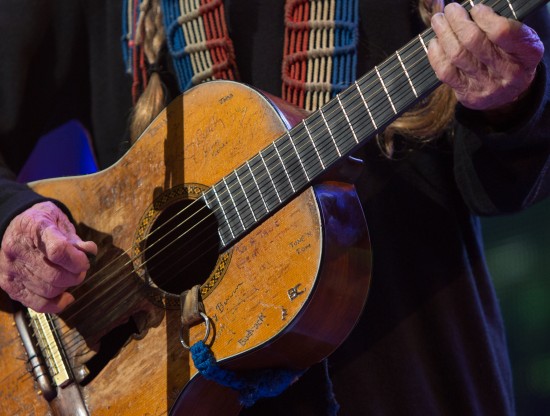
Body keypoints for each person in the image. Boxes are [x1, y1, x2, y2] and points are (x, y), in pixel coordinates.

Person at [0, 0, 549, 415]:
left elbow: (505, 185)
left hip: (401, 378)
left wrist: (509, 105)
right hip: (146, 377)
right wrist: (14, 218)